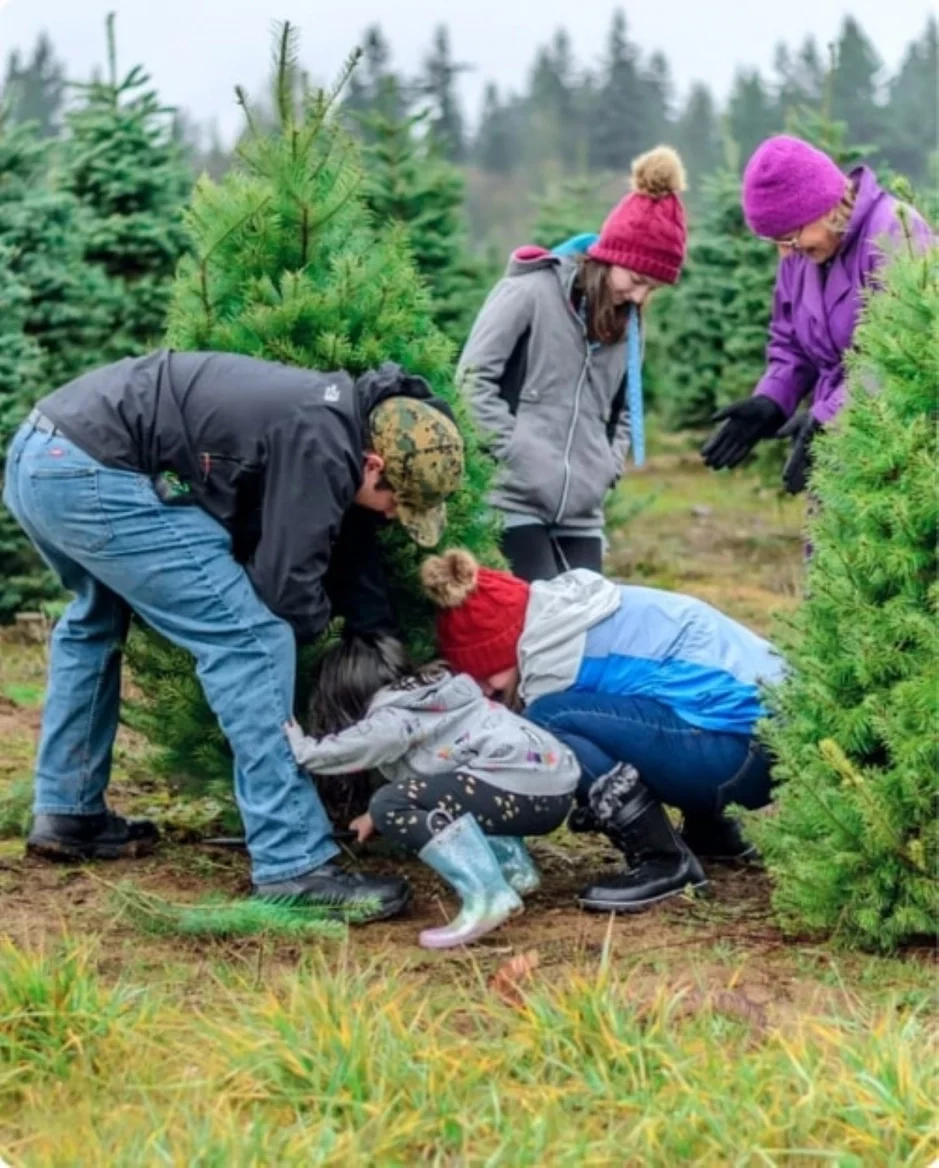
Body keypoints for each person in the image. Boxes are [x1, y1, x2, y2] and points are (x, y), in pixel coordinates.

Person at [3, 350, 464, 921]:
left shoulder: (327, 414)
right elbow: (285, 590)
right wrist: (322, 644)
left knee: (95, 620)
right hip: (93, 471)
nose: (394, 516)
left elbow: (310, 538)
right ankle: (293, 861)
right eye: (397, 501)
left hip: (43, 455)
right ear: (372, 466)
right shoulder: (324, 444)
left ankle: (68, 811)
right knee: (251, 641)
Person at [420, 550, 784, 913]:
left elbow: (541, 763)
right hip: (771, 745)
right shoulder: (574, 612)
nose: (485, 691)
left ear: (502, 650)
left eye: (485, 676)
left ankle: (665, 861)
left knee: (546, 720)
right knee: (650, 703)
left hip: (740, 757)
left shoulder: (552, 661)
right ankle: (711, 832)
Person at [458, 146, 688, 582]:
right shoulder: (528, 293)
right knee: (541, 622)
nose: (640, 297)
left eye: (652, 289)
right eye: (637, 280)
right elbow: (472, 380)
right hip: (511, 499)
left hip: (582, 510)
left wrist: (605, 467)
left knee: (588, 625)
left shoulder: (630, 327)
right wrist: (512, 453)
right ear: (610, 257)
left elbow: (622, 414)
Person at [285, 634, 579, 948]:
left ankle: (487, 895)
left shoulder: (392, 716)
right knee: (461, 788)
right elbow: (441, 778)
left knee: (390, 804)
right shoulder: (434, 695)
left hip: (517, 788)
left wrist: (304, 750)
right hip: (553, 788)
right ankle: (513, 869)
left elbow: (352, 747)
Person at [701, 134, 932, 493]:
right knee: (832, 549)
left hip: (903, 444)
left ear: (823, 206)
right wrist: (772, 399)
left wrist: (830, 417)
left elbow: (905, 346)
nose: (785, 251)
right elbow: (790, 342)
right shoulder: (801, 254)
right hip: (837, 447)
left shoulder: (894, 231)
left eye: (790, 237)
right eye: (776, 240)